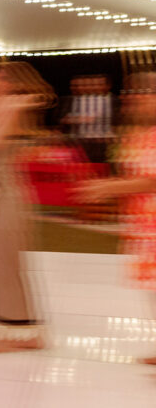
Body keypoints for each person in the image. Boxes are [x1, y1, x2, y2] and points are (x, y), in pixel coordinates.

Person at [0, 62, 52, 353]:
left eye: (2, 78)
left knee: (2, 262)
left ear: (15, 82)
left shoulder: (14, 107)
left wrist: (9, 103)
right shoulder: (2, 106)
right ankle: (28, 332)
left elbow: (40, 98)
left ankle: (12, 331)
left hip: (9, 195)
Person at [76, 72, 156, 364]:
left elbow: (151, 181)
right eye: (135, 92)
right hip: (144, 224)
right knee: (152, 287)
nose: (135, 98)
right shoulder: (139, 134)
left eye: (146, 93)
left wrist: (109, 187)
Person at [61, 74, 116, 167]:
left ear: (108, 86)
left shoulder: (115, 101)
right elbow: (59, 119)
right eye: (75, 86)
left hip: (104, 143)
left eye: (99, 84)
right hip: (78, 143)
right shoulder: (69, 100)